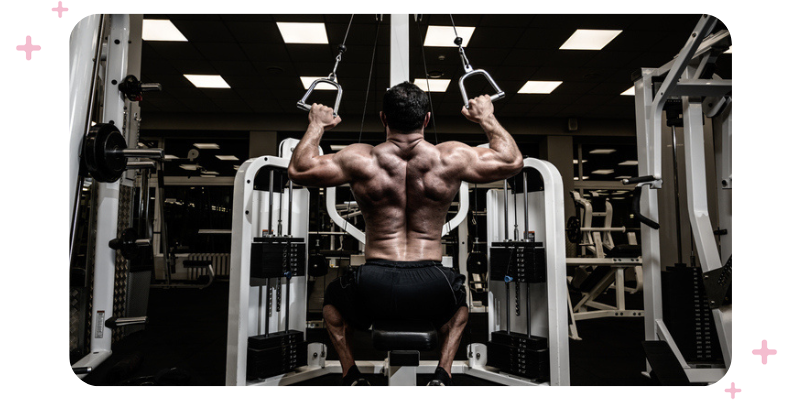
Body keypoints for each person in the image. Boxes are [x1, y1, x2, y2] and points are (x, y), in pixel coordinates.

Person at [288, 82, 523, 385]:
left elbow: (299, 169)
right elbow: (512, 161)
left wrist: (317, 124)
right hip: (432, 281)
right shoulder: (449, 157)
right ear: (426, 119)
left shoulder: (361, 158)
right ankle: (442, 374)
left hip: (374, 281)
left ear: (384, 118)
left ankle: (351, 374)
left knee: (332, 304)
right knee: (460, 309)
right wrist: (486, 117)